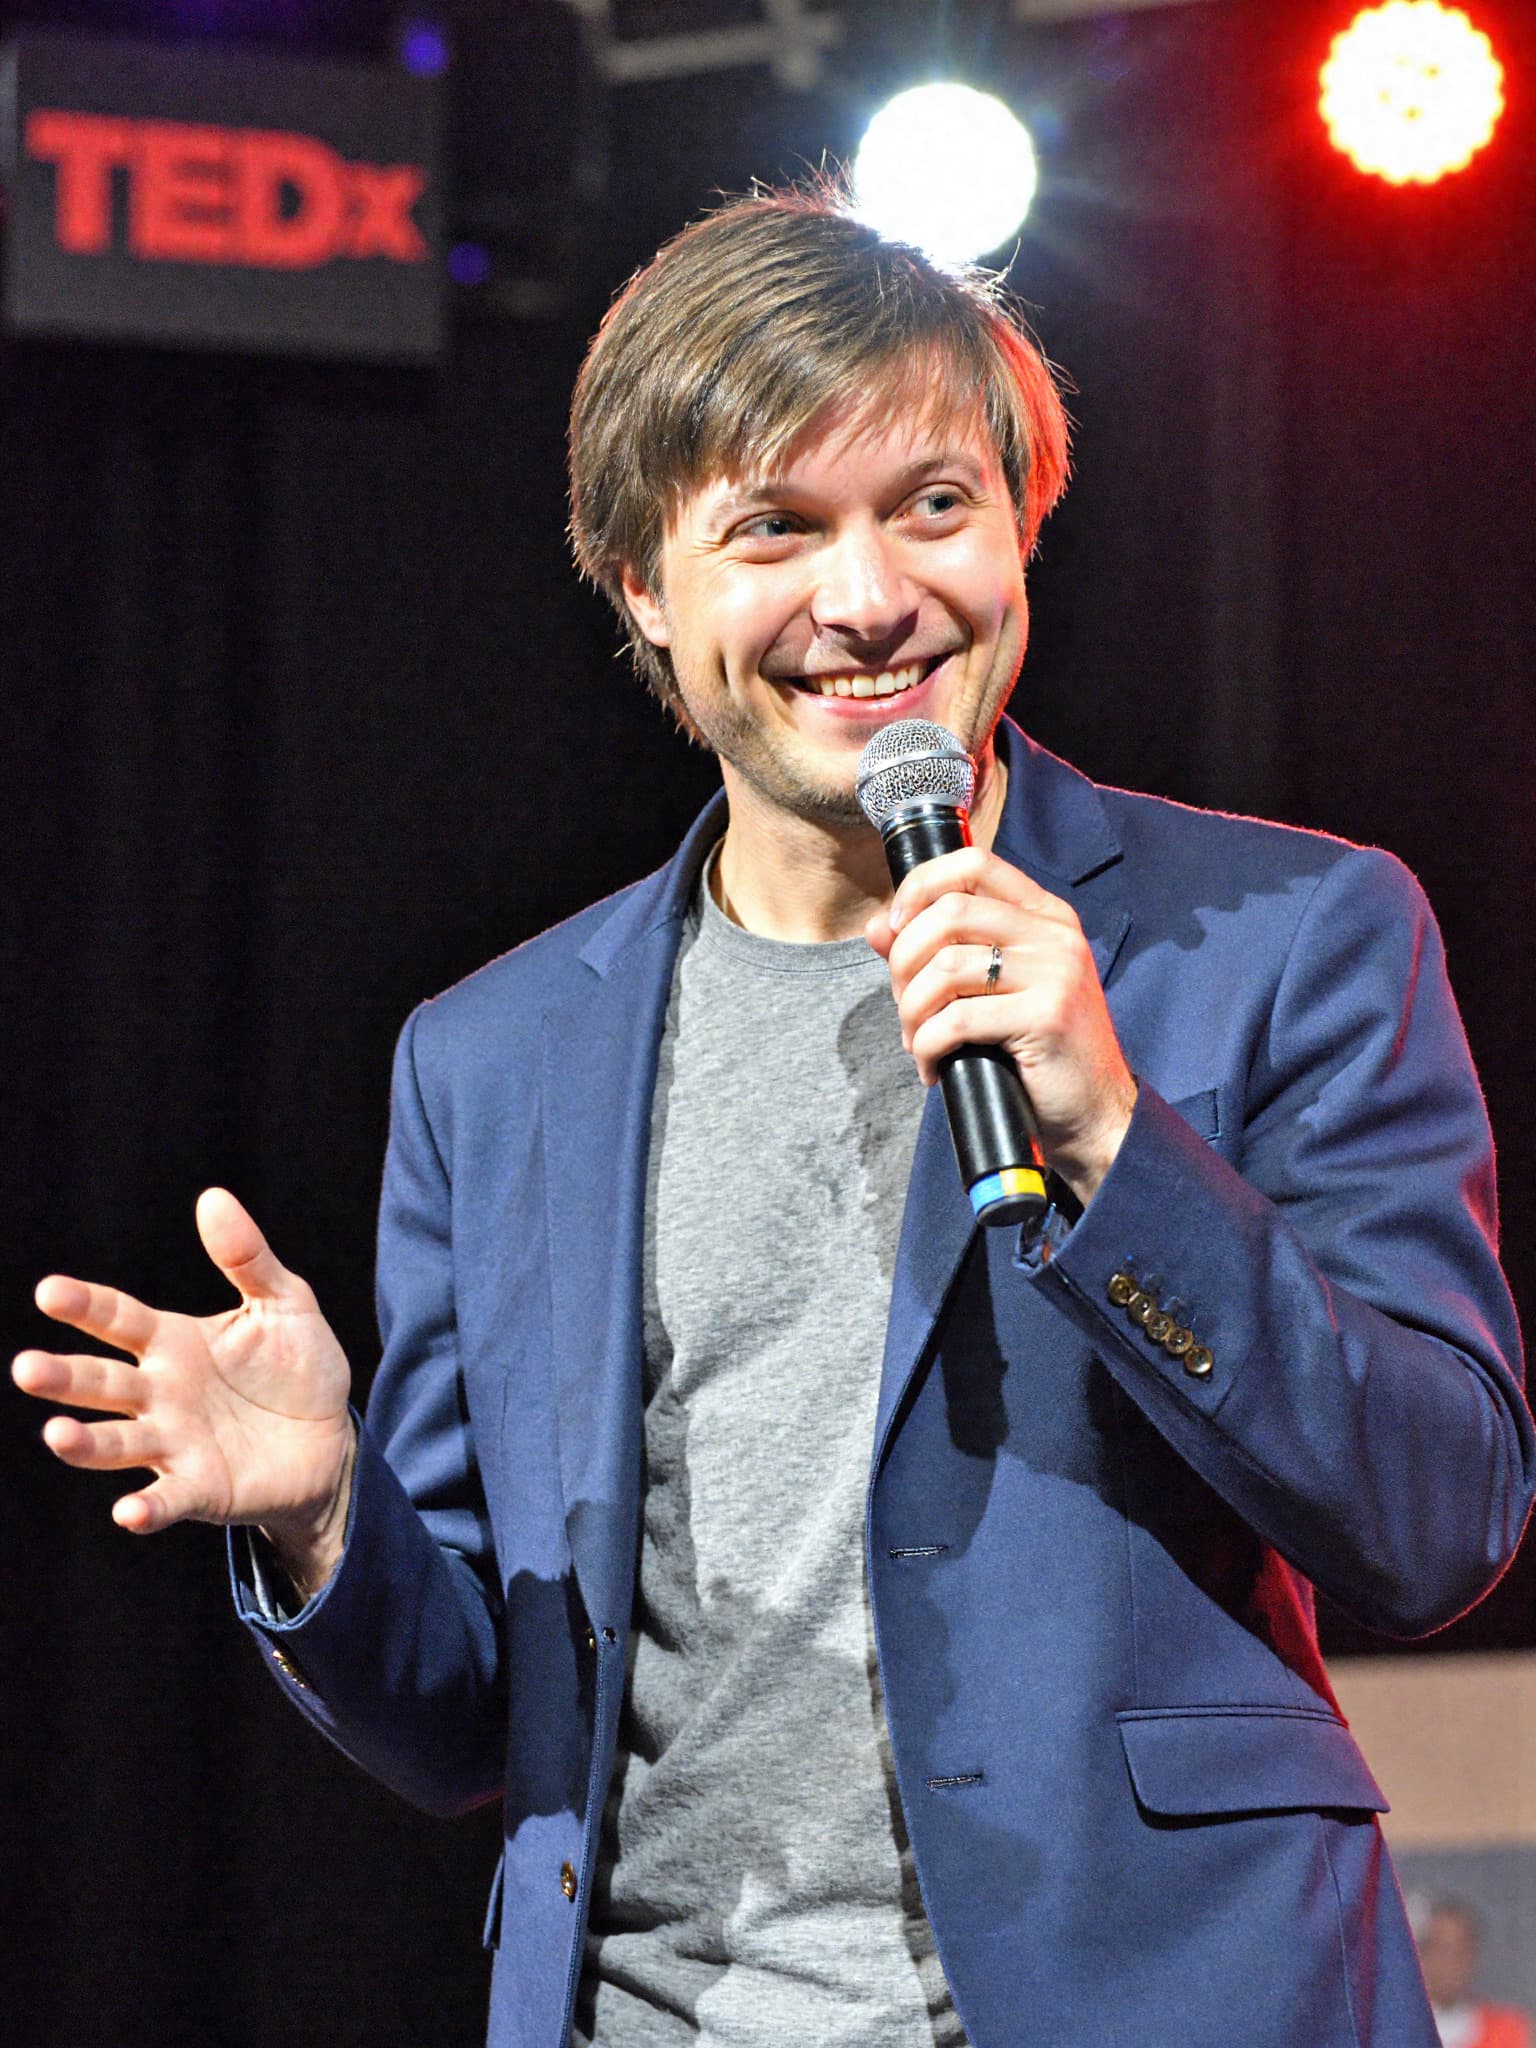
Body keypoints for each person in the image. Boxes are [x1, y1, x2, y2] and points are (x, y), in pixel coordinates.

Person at [13, 188, 1534, 2048]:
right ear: (645, 586)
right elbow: (469, 1716)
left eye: (932, 507)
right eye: (777, 529)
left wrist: (1123, 1147)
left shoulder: (1283, 935)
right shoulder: (489, 1061)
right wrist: (328, 1520)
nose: (871, 597)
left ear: (1020, 523)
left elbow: (1437, 1512)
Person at [1416, 1897, 1532, 2048]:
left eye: (1461, 1950)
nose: (1452, 1962)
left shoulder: (1509, 2031)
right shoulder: (1387, 2030)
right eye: (1441, 1949)